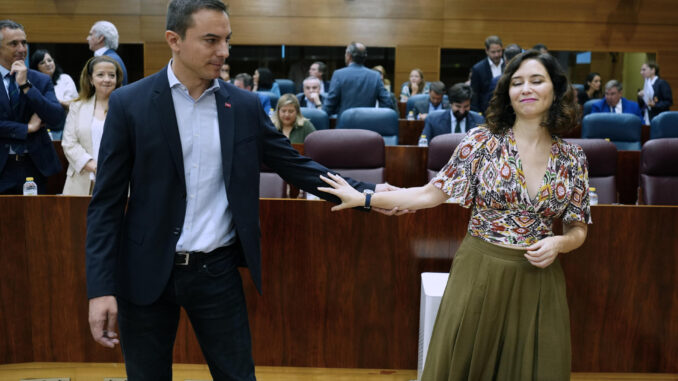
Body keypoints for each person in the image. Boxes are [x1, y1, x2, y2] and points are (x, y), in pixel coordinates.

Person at [85, 2, 396, 380]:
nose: (224, 52)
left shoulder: (244, 106)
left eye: (227, 40)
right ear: (174, 40)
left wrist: (369, 194)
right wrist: (100, 288)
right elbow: (105, 205)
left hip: (217, 272)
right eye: (211, 40)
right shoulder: (129, 104)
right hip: (145, 273)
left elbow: (296, 166)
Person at [319, 50, 590, 380]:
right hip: (480, 273)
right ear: (507, 92)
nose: (526, 89)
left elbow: (578, 228)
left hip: (539, 283)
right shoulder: (481, 141)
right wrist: (364, 196)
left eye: (536, 80)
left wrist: (560, 243)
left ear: (555, 89)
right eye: (517, 82)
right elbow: (430, 193)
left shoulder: (573, 159)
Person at [0, 19, 63, 194]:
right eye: (14, 44)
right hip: (2, 168)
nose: (22, 49)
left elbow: (57, 119)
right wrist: (27, 128)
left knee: (36, 221)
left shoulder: (40, 80)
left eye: (24, 42)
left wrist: (26, 86)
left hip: (35, 167)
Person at [61, 56, 122, 195]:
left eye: (111, 75)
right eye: (100, 74)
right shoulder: (77, 106)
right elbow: (69, 143)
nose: (107, 79)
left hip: (116, 180)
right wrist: (93, 166)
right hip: (81, 181)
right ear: (90, 79)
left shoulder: (127, 107)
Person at [322, 41, 393, 116]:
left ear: (349, 56)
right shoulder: (375, 76)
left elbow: (330, 105)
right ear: (364, 57)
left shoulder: (339, 74)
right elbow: (387, 103)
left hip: (345, 124)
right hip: (368, 124)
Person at [29, 49, 78, 140]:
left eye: (49, 60)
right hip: (41, 128)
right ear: (36, 67)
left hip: (64, 128)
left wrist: (56, 102)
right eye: (42, 62)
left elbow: (74, 105)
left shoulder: (65, 79)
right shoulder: (32, 83)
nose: (48, 64)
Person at [87, 21, 128, 85]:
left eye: (91, 35)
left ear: (100, 38)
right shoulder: (112, 57)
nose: (87, 38)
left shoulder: (108, 60)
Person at [471, 35, 504, 113]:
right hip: (486, 110)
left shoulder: (508, 65)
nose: (496, 55)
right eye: (493, 52)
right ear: (486, 51)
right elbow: (475, 94)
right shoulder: (478, 69)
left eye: (499, 51)